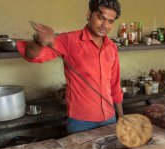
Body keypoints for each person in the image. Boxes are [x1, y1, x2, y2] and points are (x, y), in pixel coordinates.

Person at [17, 0, 123, 134]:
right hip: (81, 121)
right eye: (101, 18)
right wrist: (38, 41)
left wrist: (121, 116)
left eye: (110, 21)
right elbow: (32, 55)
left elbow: (115, 85)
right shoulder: (69, 40)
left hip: (109, 117)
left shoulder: (112, 48)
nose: (105, 25)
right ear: (89, 14)